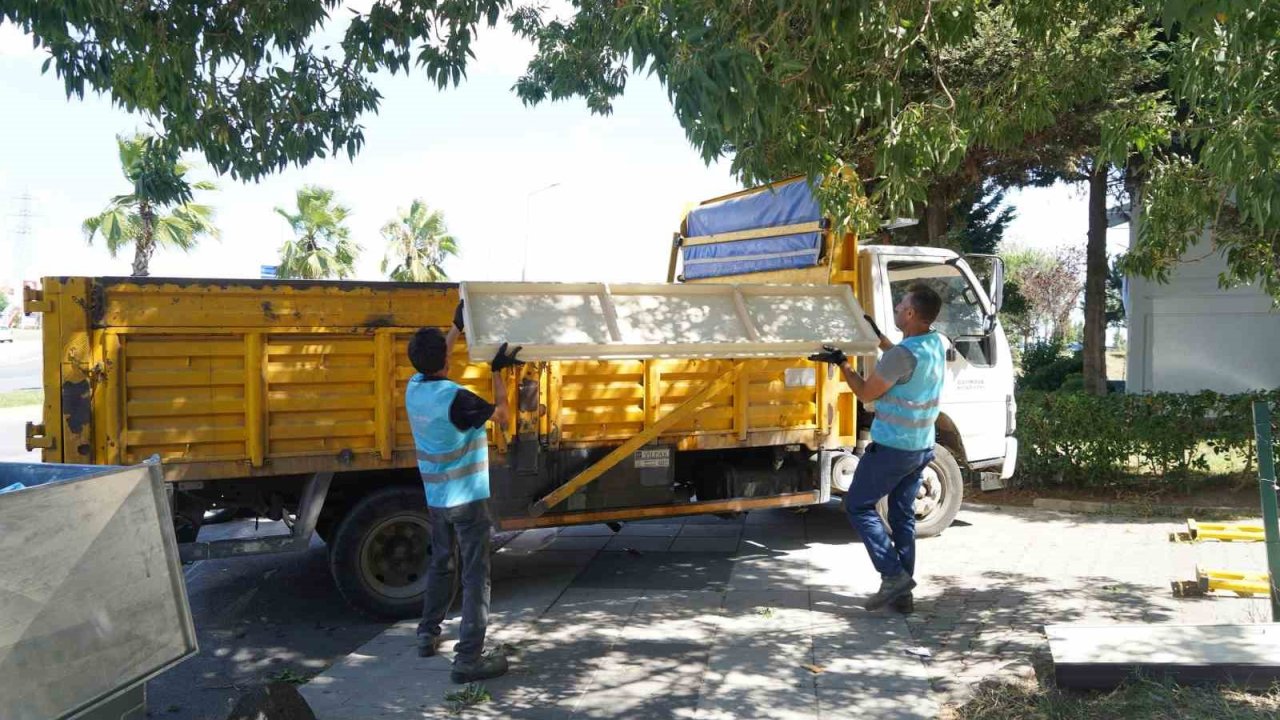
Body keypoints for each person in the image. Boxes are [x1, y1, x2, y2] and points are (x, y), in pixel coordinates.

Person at [809, 284, 946, 612]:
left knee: (857, 506)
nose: (898, 308)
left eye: (901, 305)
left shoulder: (902, 354)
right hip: (922, 447)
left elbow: (866, 393)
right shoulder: (934, 343)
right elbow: (902, 359)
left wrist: (842, 363)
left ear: (911, 314)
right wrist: (879, 337)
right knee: (902, 518)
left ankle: (893, 575)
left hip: (893, 449)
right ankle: (903, 596)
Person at [407, 299, 524, 683]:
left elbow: (439, 359)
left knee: (442, 564)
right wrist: (497, 373)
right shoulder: (457, 399)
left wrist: (454, 328)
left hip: (437, 499)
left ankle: (427, 633)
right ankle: (469, 658)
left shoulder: (414, 387)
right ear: (445, 361)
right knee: (476, 576)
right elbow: (503, 416)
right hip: (468, 500)